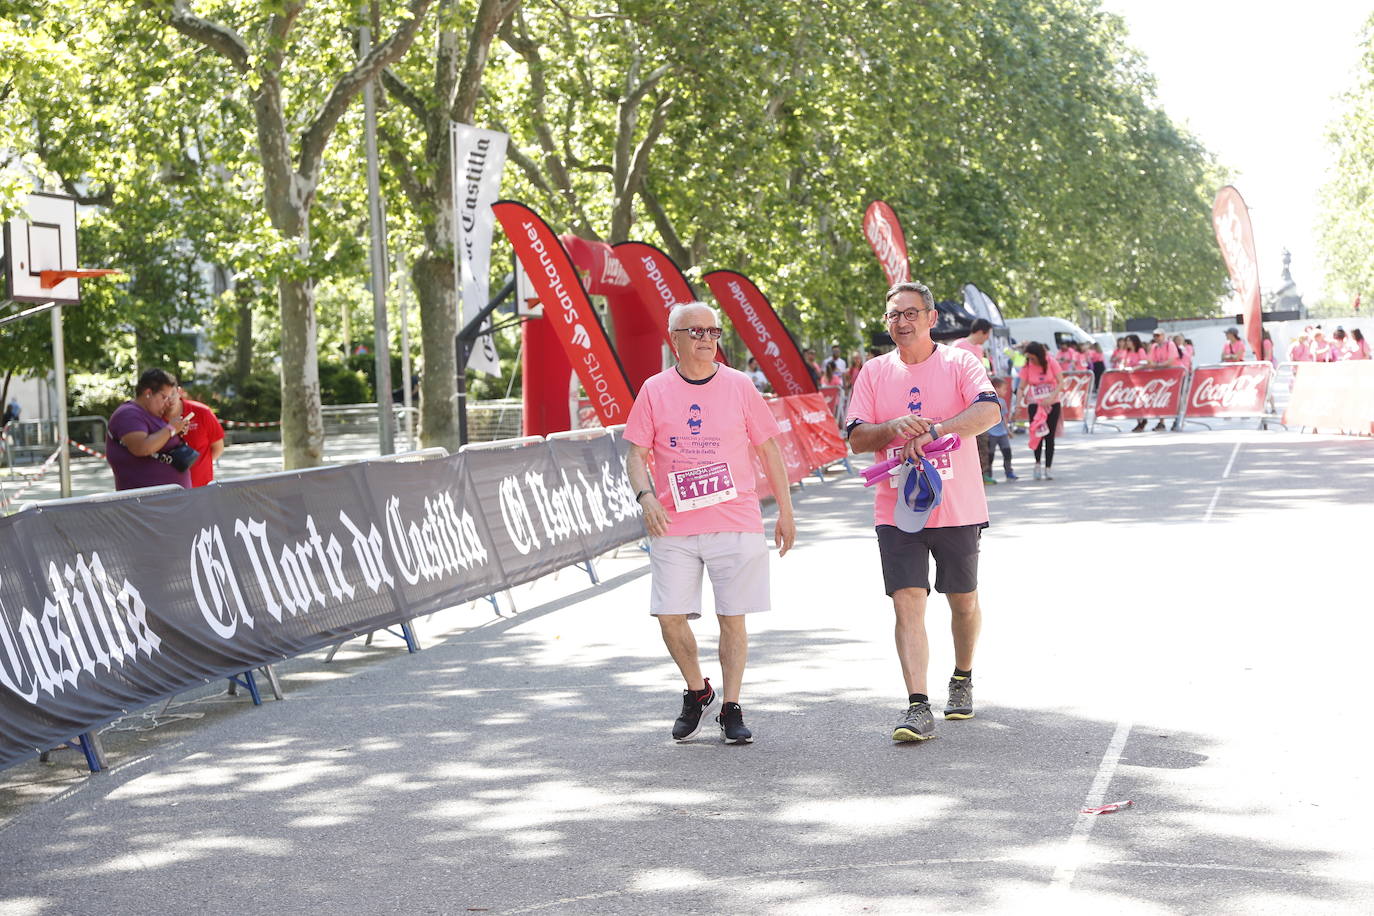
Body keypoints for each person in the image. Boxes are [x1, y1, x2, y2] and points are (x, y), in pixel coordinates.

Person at [624, 302, 795, 745]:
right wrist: (646, 498)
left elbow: (769, 449)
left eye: (713, 331)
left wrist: (785, 511)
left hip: (734, 519)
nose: (705, 338)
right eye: (695, 330)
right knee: (668, 617)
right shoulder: (654, 389)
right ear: (673, 339)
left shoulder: (739, 385)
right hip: (674, 525)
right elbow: (636, 456)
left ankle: (732, 707)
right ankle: (698, 690)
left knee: (731, 618)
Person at [846, 281, 999, 742]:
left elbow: (988, 413)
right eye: (894, 315)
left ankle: (962, 677)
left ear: (932, 319)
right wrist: (890, 427)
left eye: (911, 313)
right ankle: (917, 706)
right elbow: (855, 438)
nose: (902, 322)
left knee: (963, 600)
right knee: (907, 601)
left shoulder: (960, 362)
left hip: (957, 505)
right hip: (896, 508)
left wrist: (934, 430)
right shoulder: (873, 372)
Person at [105, 368, 196, 490]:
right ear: (148, 393)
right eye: (164, 397)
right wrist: (171, 429)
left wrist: (176, 431)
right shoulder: (128, 414)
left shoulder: (151, 414)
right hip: (146, 502)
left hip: (164, 501)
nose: (167, 403)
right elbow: (142, 447)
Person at [1018, 342, 1065, 477]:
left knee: (1049, 436)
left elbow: (1061, 382)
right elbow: (1021, 387)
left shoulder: (1051, 362)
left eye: (1032, 358)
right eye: (1029, 358)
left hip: (1052, 404)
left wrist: (1051, 397)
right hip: (1035, 404)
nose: (1031, 360)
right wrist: (1018, 404)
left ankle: (1048, 467)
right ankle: (1037, 463)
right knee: (1037, 433)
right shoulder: (1027, 366)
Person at [169, 386, 225, 487]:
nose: (168, 398)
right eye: (163, 395)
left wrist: (198, 465)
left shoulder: (202, 412)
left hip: (201, 488)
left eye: (171, 393)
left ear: (179, 391)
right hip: (167, 491)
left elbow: (218, 448)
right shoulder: (152, 416)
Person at [983, 388, 1016, 481]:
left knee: (1007, 452)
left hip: (1002, 433)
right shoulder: (987, 400)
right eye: (1003, 388)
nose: (1005, 391)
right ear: (996, 388)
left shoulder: (1002, 402)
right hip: (991, 433)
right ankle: (988, 474)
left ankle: (1009, 472)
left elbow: (1004, 417)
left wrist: (1008, 431)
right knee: (990, 455)